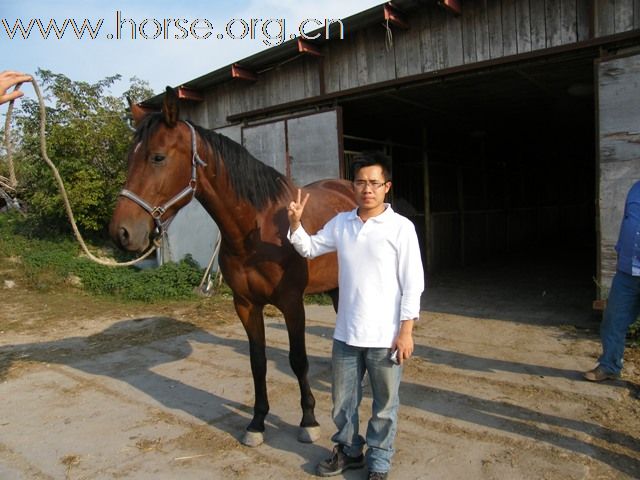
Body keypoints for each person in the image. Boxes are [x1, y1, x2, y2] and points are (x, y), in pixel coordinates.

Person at [287, 152, 424, 480]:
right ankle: (349, 451)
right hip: (346, 333)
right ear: (354, 185)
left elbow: (413, 284)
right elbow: (309, 248)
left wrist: (406, 332)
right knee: (341, 403)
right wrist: (295, 224)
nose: (367, 189)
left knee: (384, 406)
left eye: (374, 183)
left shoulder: (401, 228)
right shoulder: (342, 223)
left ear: (386, 187)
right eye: (361, 182)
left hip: (385, 336)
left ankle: (379, 462)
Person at [584, 180, 640, 382]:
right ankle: (609, 365)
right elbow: (628, 221)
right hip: (626, 271)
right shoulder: (635, 188)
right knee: (613, 320)